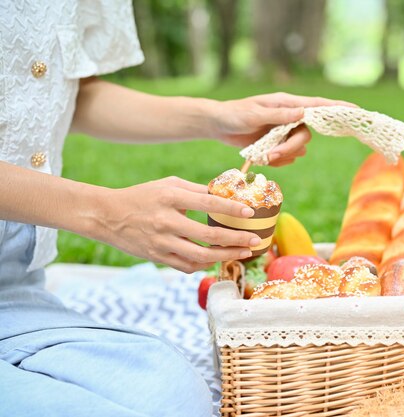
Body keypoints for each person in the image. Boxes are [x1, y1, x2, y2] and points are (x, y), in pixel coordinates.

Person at [0, 1, 350, 416]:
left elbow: (69, 92)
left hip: (13, 290)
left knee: (175, 400)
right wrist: (103, 212)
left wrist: (217, 117)